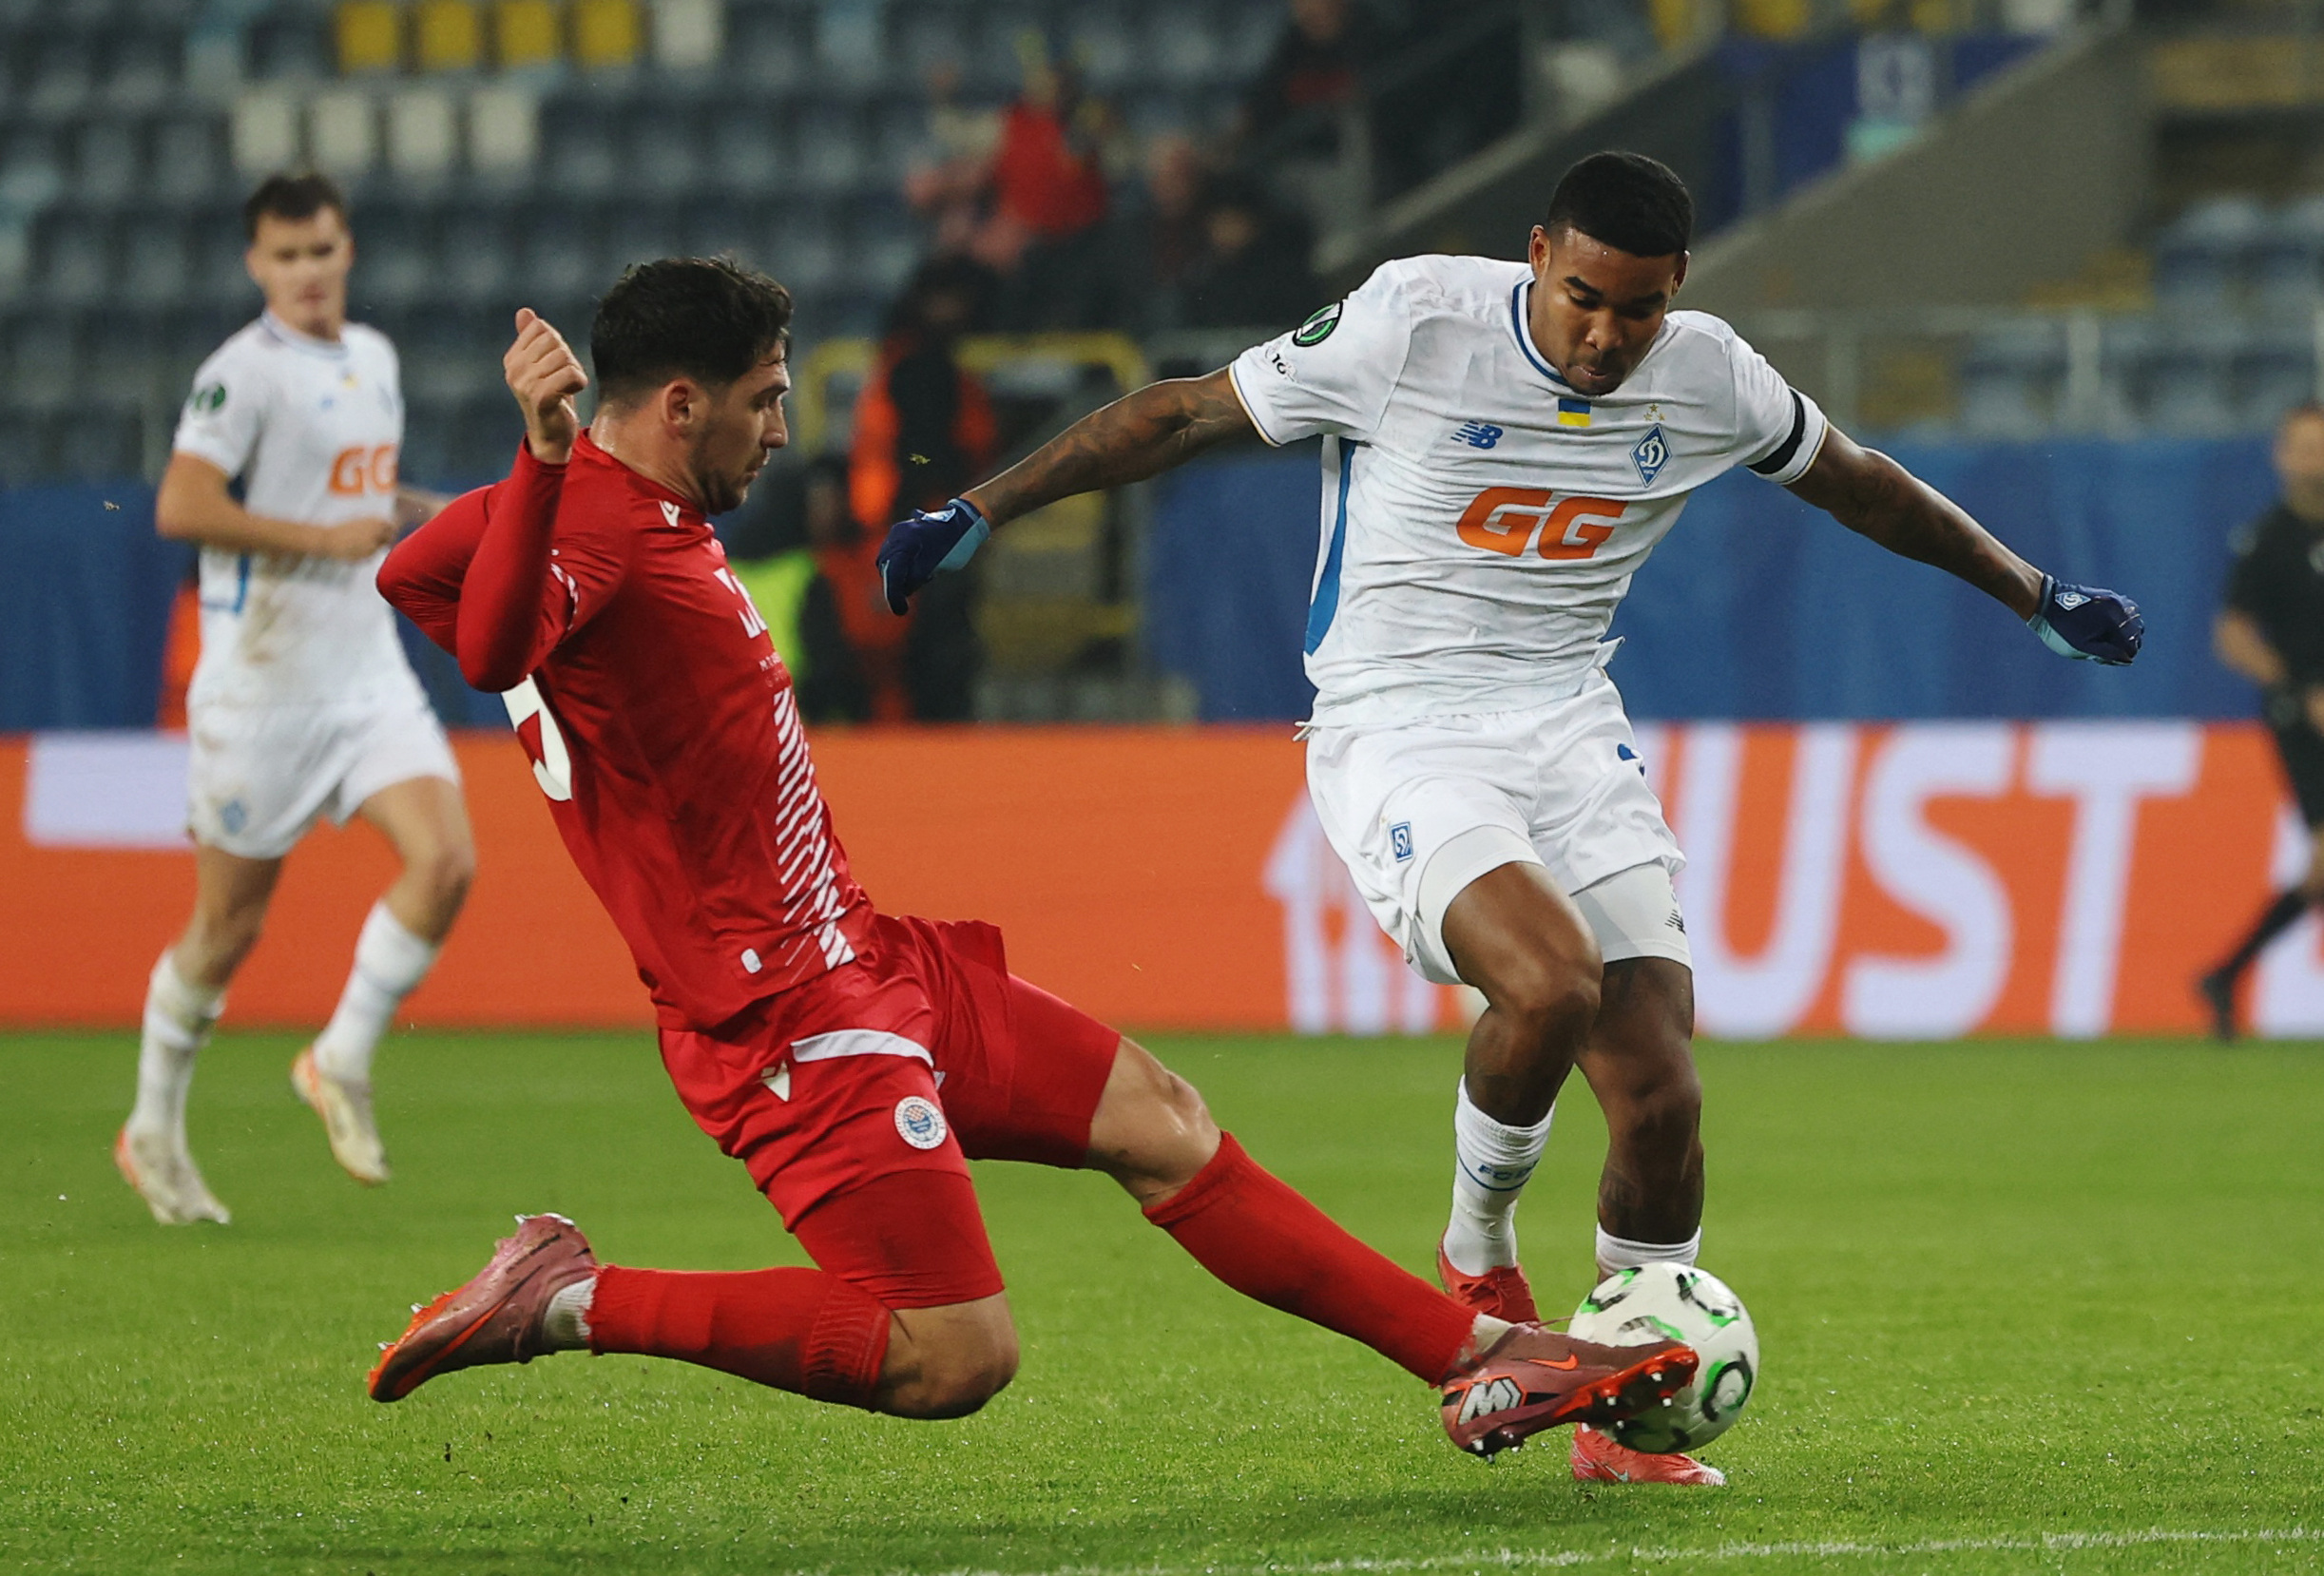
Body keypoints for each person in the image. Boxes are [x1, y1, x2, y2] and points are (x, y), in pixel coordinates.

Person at [876, 151, 2142, 1485]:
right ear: (1536, 255)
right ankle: (1476, 1250)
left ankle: (1622, 1412)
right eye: (1585, 297)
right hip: (1398, 721)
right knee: (1548, 982)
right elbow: (1186, 414)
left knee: (1659, 1090)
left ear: (1677, 292)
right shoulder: (1414, 321)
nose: (1608, 335)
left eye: (1638, 309)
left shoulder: (1708, 373)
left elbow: (1860, 481)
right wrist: (982, 506)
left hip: (1565, 721)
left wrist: (2032, 590)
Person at [364, 259, 1697, 1460]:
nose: (784, 429)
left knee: (1161, 1122)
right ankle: (569, 1301)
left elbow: (414, 579)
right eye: (764, 400)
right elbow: (484, 648)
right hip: (780, 1012)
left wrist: (541, 530)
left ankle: (1482, 1360)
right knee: (955, 1355)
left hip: (865, 957)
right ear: (675, 404)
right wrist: (539, 473)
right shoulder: (590, 522)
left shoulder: (601, 512)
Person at [115, 171, 474, 1224]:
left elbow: (357, 496)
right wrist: (324, 541)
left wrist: (435, 513)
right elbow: (182, 505)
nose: (308, 272)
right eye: (287, 256)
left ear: (347, 248)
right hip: (262, 690)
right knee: (227, 928)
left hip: (364, 672)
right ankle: (151, 1127)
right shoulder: (241, 376)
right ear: (256, 266)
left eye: (322, 250)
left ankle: (340, 1057)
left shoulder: (374, 359)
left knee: (447, 857)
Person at [2199, 403, 2324, 1037]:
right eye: (2302, 447)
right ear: (2281, 456)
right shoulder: (2267, 539)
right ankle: (2224, 974)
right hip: (2304, 721)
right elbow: (2232, 635)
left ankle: (2224, 974)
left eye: (2320, 447)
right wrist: (2298, 689)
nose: (2313, 460)